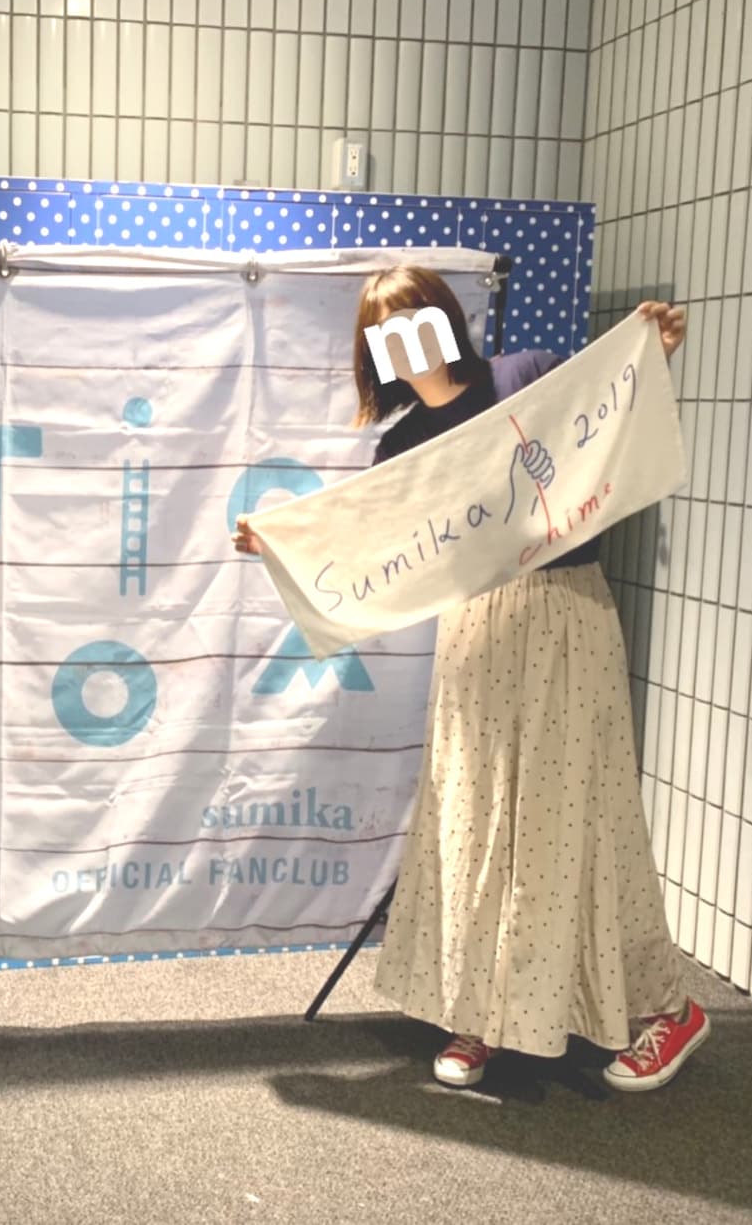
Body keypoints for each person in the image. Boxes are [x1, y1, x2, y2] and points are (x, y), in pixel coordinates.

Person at [233, 265, 710, 1094]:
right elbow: (365, 547)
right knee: (474, 816)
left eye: (415, 316)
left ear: (446, 317)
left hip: (564, 616)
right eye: (386, 329)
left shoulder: (526, 375)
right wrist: (281, 545)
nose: (406, 338)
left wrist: (652, 355)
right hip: (475, 633)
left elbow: (605, 427)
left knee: (582, 816)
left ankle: (667, 1007)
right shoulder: (401, 447)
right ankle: (481, 1011)